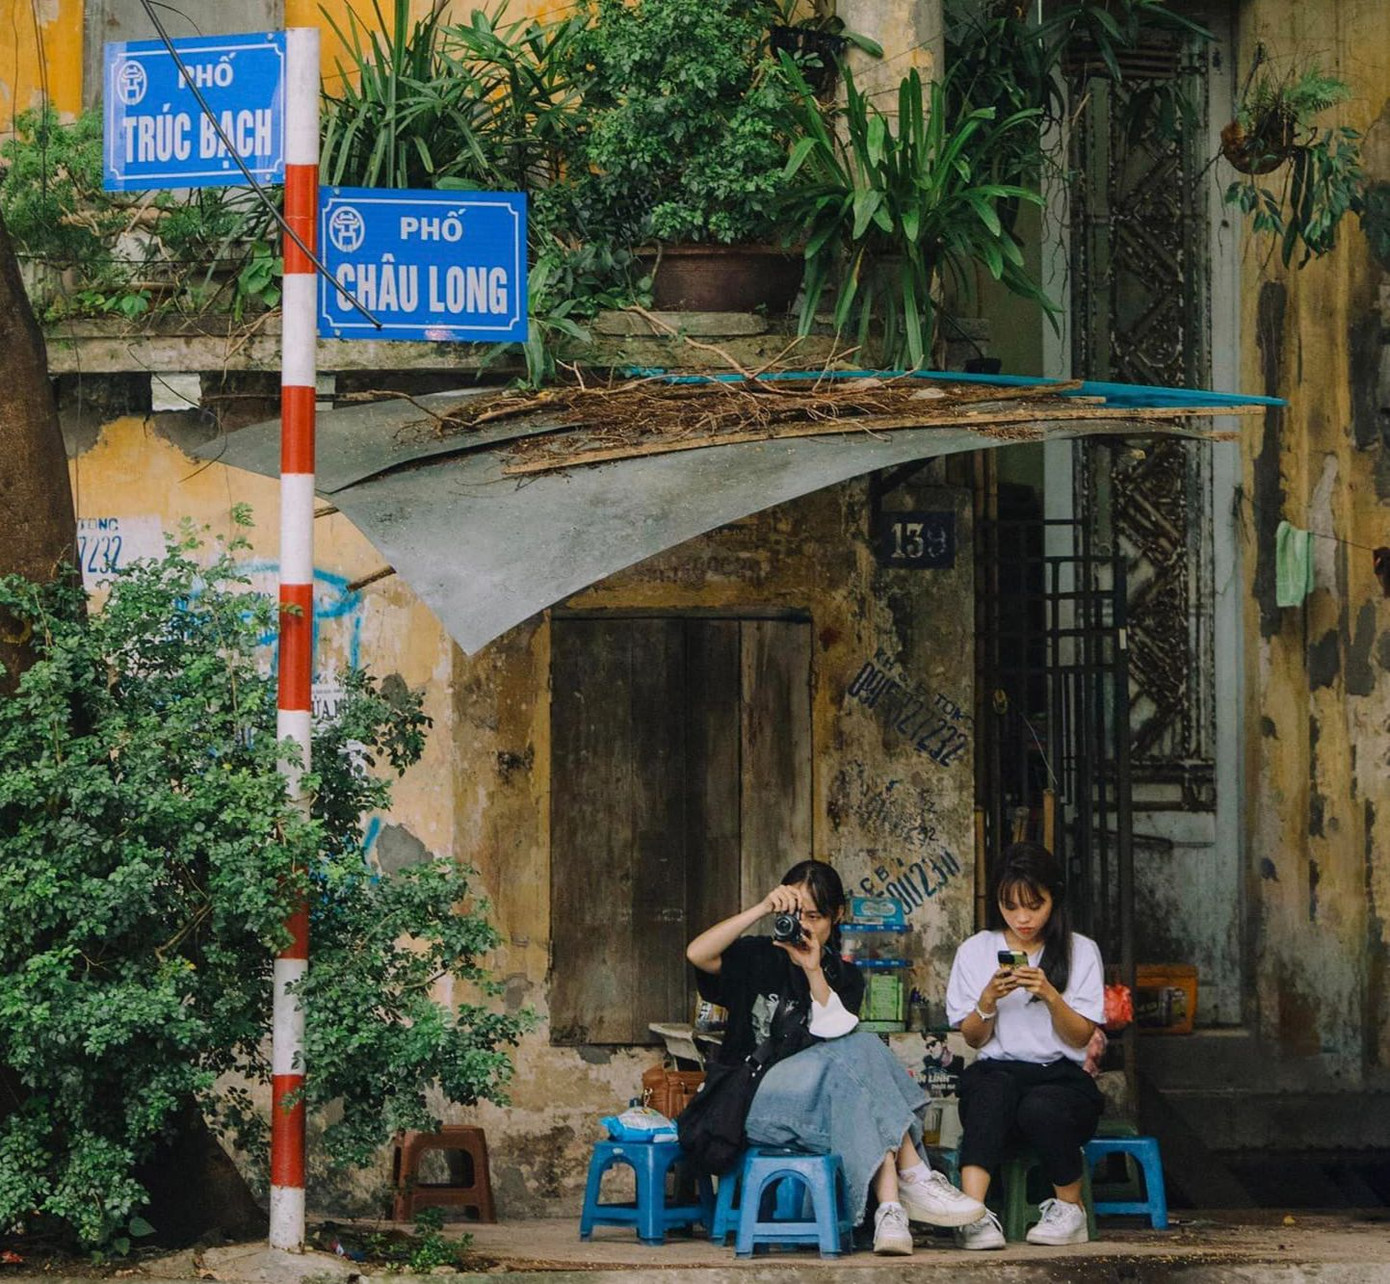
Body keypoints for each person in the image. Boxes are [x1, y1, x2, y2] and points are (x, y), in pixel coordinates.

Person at [686, 859, 984, 1256]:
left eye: (815, 916)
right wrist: (760, 909)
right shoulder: (757, 955)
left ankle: (892, 1209)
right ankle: (913, 1179)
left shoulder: (844, 978)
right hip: (752, 1106)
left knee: (856, 1058)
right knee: (862, 1047)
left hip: (823, 1108)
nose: (805, 925)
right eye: (796, 914)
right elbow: (697, 953)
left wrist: (813, 971)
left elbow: (836, 1035)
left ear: (837, 915)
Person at [945, 841, 1105, 1249]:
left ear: (1055, 898)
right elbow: (973, 1038)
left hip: (1061, 1080)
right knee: (989, 1093)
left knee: (1041, 1106)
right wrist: (987, 1001)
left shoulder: (1080, 951)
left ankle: (1071, 1211)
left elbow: (1080, 1038)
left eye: (1035, 905)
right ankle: (973, 1214)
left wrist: (1050, 994)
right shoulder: (976, 950)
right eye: (1011, 906)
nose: (1023, 918)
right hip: (998, 1074)